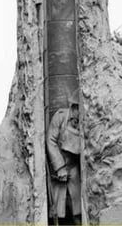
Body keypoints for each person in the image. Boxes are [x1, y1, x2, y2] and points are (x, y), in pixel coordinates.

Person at [46, 94, 82, 225]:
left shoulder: (84, 121)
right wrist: (60, 167)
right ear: (73, 107)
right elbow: (51, 141)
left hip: (73, 167)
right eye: (79, 108)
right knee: (57, 209)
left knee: (78, 207)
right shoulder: (60, 116)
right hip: (59, 165)